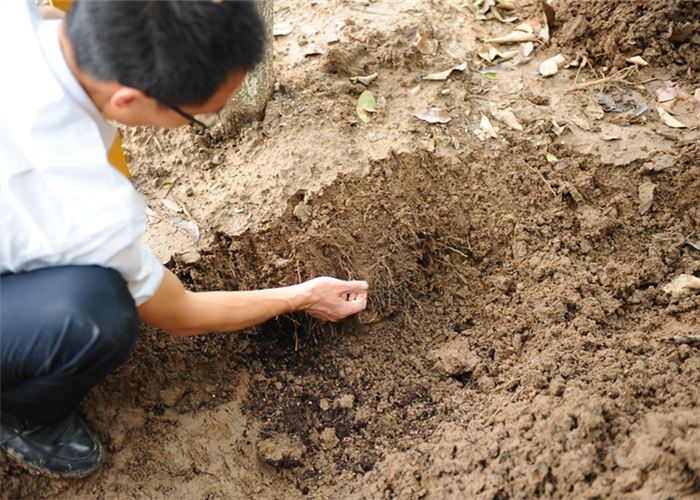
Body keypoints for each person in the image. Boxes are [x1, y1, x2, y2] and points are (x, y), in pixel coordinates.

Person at [0, 0, 368, 478]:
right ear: (128, 100)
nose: (201, 120)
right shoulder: (87, 205)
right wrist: (302, 295)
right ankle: (24, 416)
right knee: (97, 313)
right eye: (201, 114)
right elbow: (182, 314)